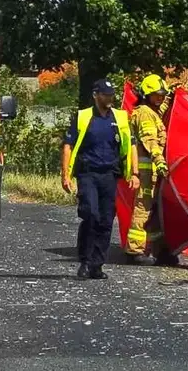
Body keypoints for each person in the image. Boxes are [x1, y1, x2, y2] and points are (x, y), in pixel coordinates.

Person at [61, 78, 140, 279]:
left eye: (112, 95)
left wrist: (135, 173)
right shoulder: (83, 117)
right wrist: (65, 175)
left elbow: (131, 145)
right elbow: (68, 146)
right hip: (88, 173)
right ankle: (85, 261)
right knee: (91, 214)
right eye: (105, 95)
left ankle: (97, 264)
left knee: (105, 220)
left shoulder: (120, 118)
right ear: (96, 95)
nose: (110, 98)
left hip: (109, 175)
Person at [126, 74, 178, 266]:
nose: (160, 98)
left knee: (155, 211)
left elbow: (160, 109)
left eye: (162, 94)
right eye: (156, 94)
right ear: (146, 95)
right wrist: (160, 162)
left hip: (154, 172)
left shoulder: (151, 110)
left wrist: (173, 96)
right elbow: (151, 142)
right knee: (143, 208)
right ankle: (134, 250)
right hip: (147, 171)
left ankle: (160, 250)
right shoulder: (145, 114)